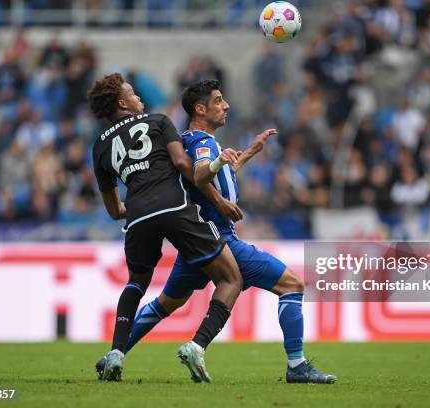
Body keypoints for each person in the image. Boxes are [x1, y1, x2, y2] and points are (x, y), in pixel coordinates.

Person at [119, 79, 337, 384]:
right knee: (292, 285)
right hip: (220, 238)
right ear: (200, 108)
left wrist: (248, 153)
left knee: (165, 304)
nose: (226, 105)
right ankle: (295, 364)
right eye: (219, 100)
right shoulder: (205, 143)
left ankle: (116, 353)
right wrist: (220, 159)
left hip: (194, 244)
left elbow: (210, 179)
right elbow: (201, 174)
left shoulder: (187, 141)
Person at [88, 73, 244, 382]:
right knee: (231, 278)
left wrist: (136, 207)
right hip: (175, 208)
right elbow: (184, 165)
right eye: (133, 94)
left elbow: (113, 208)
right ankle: (197, 346)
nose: (139, 99)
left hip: (137, 216)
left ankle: (116, 353)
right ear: (123, 102)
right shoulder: (158, 121)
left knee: (136, 283)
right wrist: (216, 197)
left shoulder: (100, 145)